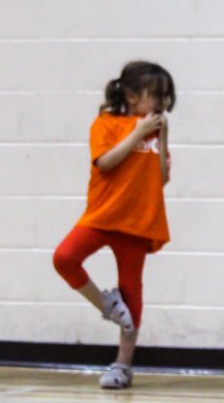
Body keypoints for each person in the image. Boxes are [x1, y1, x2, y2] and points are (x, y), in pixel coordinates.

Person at [52, 61, 175, 389]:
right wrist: (137, 132)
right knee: (64, 258)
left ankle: (123, 365)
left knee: (133, 290)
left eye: (166, 97)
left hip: (137, 221)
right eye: (156, 95)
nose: (162, 103)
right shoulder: (105, 124)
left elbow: (161, 179)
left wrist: (161, 139)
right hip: (104, 215)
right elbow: (105, 163)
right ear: (133, 96)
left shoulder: (154, 131)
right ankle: (106, 303)